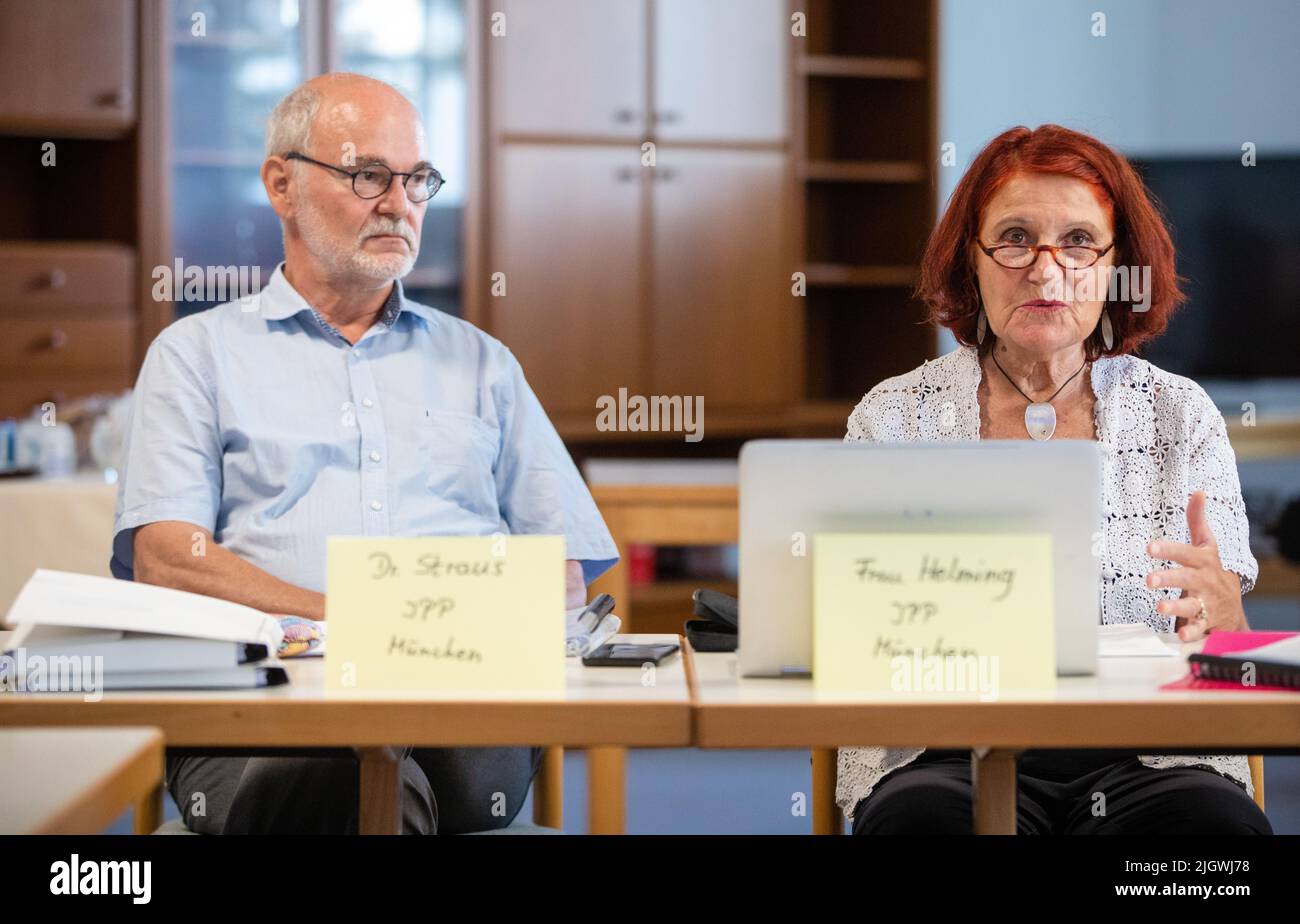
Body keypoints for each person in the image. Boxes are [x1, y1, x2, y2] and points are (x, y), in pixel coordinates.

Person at [111, 73, 617, 834]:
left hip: (463, 708)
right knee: (336, 771)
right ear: (282, 184)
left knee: (415, 759)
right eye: (368, 175)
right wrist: (362, 623)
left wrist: (435, 643)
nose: (399, 203)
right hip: (264, 708)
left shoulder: (484, 364)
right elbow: (167, 560)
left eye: (418, 180)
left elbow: (562, 575)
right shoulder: (196, 355)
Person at [840, 124, 1271, 835]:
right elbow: (849, 638)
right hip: (944, 753)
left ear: (1115, 264)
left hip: (1155, 757)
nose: (1046, 272)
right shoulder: (894, 417)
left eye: (1077, 241)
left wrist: (1224, 617)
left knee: (1214, 836)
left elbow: (1230, 653)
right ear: (969, 261)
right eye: (1014, 238)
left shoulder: (1181, 413)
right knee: (920, 824)